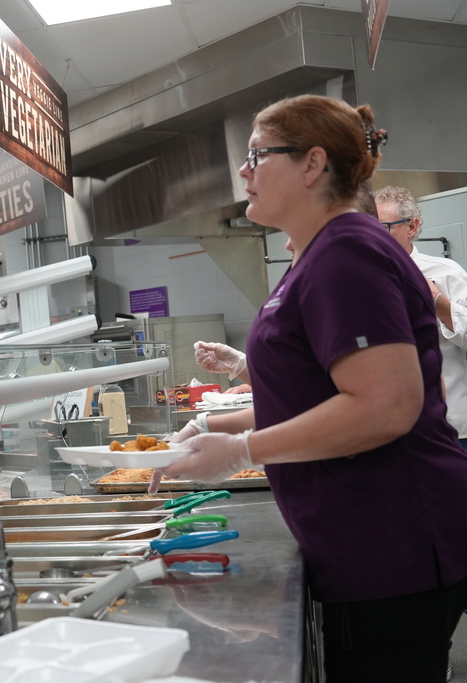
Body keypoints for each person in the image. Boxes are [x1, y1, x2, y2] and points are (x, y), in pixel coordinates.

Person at [158, 95, 467, 682]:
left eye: (256, 156)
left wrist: (243, 452)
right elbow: (313, 394)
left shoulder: (347, 252)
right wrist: (214, 427)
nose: (243, 173)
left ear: (311, 164)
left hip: (390, 540)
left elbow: (385, 406)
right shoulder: (322, 254)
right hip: (370, 535)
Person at [374, 185, 467, 448]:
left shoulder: (447, 273)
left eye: (383, 228)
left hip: (450, 425)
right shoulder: (361, 277)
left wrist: (437, 300)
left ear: (412, 227)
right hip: (389, 427)